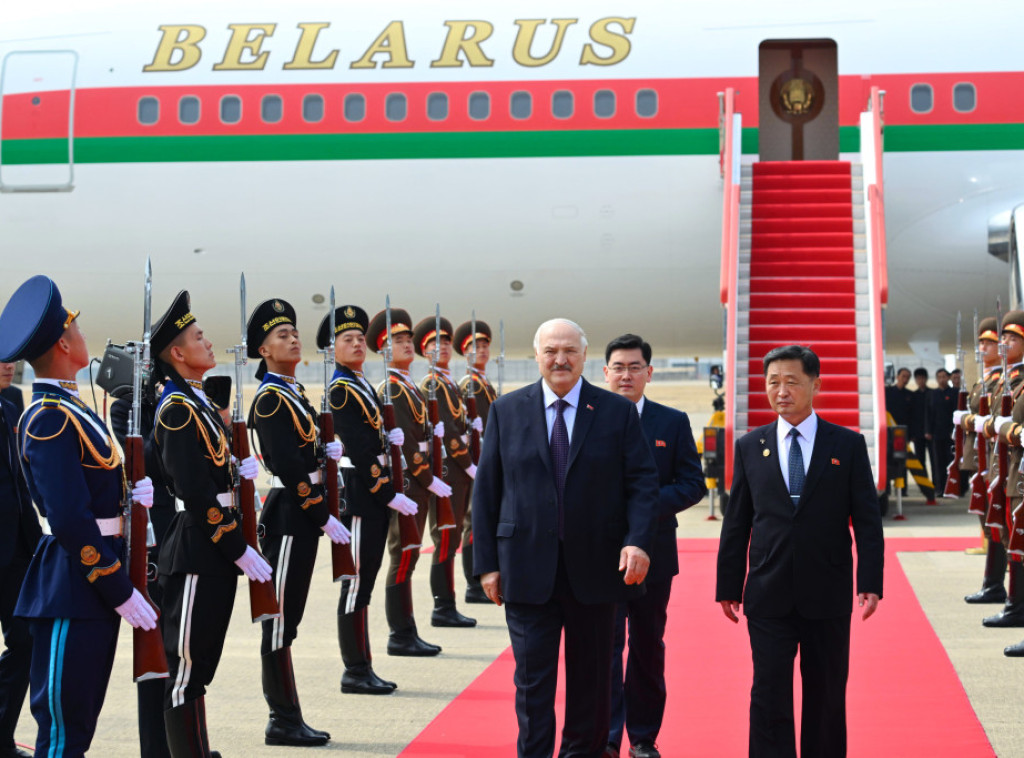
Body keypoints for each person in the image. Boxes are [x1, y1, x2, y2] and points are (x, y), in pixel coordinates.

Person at [472, 317, 659, 758]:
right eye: (551, 351)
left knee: (591, 683)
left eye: (570, 351)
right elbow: (487, 492)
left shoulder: (615, 411)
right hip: (524, 570)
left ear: (584, 356)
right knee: (532, 682)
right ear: (537, 356)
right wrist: (487, 565)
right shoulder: (506, 410)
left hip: (595, 571)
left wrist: (637, 540)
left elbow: (642, 484)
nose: (560, 359)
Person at [0, 275, 156, 758]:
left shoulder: (71, 407)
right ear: (65, 345)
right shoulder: (49, 417)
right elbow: (68, 517)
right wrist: (116, 585)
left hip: (94, 580)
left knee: (81, 721)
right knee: (63, 729)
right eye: (77, 329)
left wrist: (133, 496)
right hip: (74, 583)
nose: (84, 336)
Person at [716, 344, 884, 758]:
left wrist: (870, 581)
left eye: (792, 382)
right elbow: (736, 523)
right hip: (767, 590)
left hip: (826, 590)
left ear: (815, 385)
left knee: (826, 692)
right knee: (768, 692)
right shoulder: (751, 446)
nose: (781, 391)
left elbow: (867, 520)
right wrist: (728, 585)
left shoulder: (846, 444)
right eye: (773, 382)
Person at [151, 290, 272, 756]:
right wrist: (237, 546)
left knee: (201, 662)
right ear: (178, 354)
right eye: (198, 337)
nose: (207, 342)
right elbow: (195, 492)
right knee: (185, 665)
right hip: (198, 546)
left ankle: (196, 748)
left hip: (213, 546)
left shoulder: (197, 402)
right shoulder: (177, 409)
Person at [246, 298, 349, 745]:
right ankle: (282, 718)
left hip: (302, 514)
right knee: (279, 618)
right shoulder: (271, 400)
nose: (293, 339)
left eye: (294, 333)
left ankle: (288, 714)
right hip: (290, 514)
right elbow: (289, 468)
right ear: (263, 350)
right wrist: (322, 514)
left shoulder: (293, 393)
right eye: (281, 335)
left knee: (290, 618)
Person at [602, 334, 706, 758]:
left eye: (634, 367)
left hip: (655, 553)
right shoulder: (590, 419)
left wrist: (643, 506)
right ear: (605, 373)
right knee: (605, 648)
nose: (626, 375)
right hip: (601, 555)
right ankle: (607, 737)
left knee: (647, 646)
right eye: (618, 367)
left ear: (649, 372)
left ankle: (643, 737)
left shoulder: (672, 422)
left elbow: (693, 484)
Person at [317, 305, 418, 694]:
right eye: (348, 339)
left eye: (361, 338)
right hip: (362, 496)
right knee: (356, 583)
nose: (358, 344)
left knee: (366, 583)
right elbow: (359, 450)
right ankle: (355, 669)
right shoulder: (341, 389)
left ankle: (363, 666)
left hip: (372, 495)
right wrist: (388, 492)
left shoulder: (359, 383)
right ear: (333, 349)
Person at [366, 307, 447, 657]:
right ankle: (400, 633)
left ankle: (407, 629)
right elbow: (407, 446)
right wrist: (428, 479)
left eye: (408, 339)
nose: (407, 344)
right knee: (403, 555)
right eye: (397, 341)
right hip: (409, 484)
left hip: (418, 483)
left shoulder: (408, 385)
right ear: (384, 350)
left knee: (410, 555)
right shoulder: (393, 389)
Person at [110, 381, 175, 758]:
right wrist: (167, 411)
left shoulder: (181, 400)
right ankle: (156, 748)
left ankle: (185, 741)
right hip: (155, 539)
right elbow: (149, 459)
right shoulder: (125, 409)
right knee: (156, 647)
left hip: (186, 532)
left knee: (184, 648)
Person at [413, 316, 477, 628]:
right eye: (435, 344)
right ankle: (443, 605)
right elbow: (449, 432)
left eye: (447, 342)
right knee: (445, 537)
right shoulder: (432, 384)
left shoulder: (448, 382)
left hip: (458, 472)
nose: (443, 348)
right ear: (425, 351)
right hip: (449, 471)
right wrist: (468, 463)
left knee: (451, 540)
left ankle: (448, 603)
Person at [0, 360, 41, 758]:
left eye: (11, 356)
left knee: (26, 641)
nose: (9, 364)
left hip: (14, 547)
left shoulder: (12, 402)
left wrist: (37, 544)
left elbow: (19, 480)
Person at [974, 312, 1024, 630]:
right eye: (1002, 337)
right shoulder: (1008, 380)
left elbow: (1008, 426)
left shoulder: (1016, 381)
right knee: (1007, 534)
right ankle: (1013, 603)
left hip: (1016, 471)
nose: (1004, 343)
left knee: (1016, 538)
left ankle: (1015, 605)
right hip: (1007, 468)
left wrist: (1005, 429)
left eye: (1012, 338)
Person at [956, 317, 1005, 596]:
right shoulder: (985, 379)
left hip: (993, 457)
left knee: (996, 520)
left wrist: (969, 419)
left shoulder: (1000, 380)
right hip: (980, 456)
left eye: (990, 342)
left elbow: (992, 418)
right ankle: (992, 583)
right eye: (982, 342)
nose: (983, 347)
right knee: (988, 519)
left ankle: (995, 584)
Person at [454, 319, 496, 604]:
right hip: (475, 460)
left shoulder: (482, 382)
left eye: (484, 346)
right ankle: (472, 583)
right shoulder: (469, 384)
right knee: (473, 520)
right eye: (475, 346)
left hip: (487, 457)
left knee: (480, 520)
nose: (481, 351)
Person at [928, 368, 958, 494]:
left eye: (944, 376)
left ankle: (951, 488)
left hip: (950, 434)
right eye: (939, 377)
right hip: (936, 433)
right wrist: (928, 431)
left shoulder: (954, 393)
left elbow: (956, 413)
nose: (942, 379)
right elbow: (928, 414)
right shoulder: (933, 394)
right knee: (937, 462)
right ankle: (939, 488)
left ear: (948, 378)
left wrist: (955, 430)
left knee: (950, 461)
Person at [910, 367, 936, 502]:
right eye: (918, 378)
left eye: (922, 378)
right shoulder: (913, 395)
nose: (920, 380)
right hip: (918, 433)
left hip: (931, 433)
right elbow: (911, 416)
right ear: (916, 380)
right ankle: (925, 485)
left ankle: (935, 485)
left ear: (926, 379)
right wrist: (912, 434)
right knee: (920, 461)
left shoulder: (932, 393)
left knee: (934, 459)